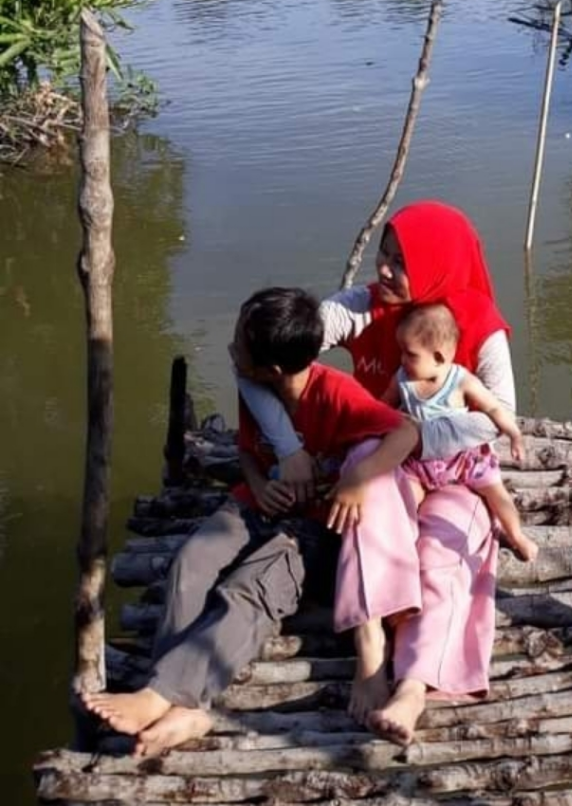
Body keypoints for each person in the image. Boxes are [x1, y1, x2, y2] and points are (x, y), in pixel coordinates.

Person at [83, 287, 418, 757]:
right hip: (257, 503)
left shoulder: (335, 393)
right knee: (191, 564)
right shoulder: (257, 388)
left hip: (312, 531)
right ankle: (180, 698)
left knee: (246, 587)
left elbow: (406, 431)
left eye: (239, 344)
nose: (231, 349)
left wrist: (358, 477)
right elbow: (246, 450)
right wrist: (259, 485)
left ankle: (165, 698)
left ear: (272, 368)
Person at [237, 201, 516, 745]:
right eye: (384, 256)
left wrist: (416, 436)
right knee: (370, 484)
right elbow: (256, 362)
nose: (383, 271)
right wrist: (289, 447)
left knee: (449, 544)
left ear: (437, 265)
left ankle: (414, 685)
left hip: (453, 472)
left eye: (400, 262)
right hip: (378, 456)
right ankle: (371, 651)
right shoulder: (362, 308)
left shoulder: (479, 326)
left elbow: (496, 421)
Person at [384, 302, 538, 563]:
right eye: (402, 352)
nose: (402, 360)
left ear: (439, 357)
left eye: (410, 354)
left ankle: (516, 534)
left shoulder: (460, 380)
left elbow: (493, 407)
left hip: (463, 459)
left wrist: (514, 434)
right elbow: (383, 404)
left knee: (495, 492)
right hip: (420, 463)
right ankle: (405, 545)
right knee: (405, 497)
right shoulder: (402, 378)